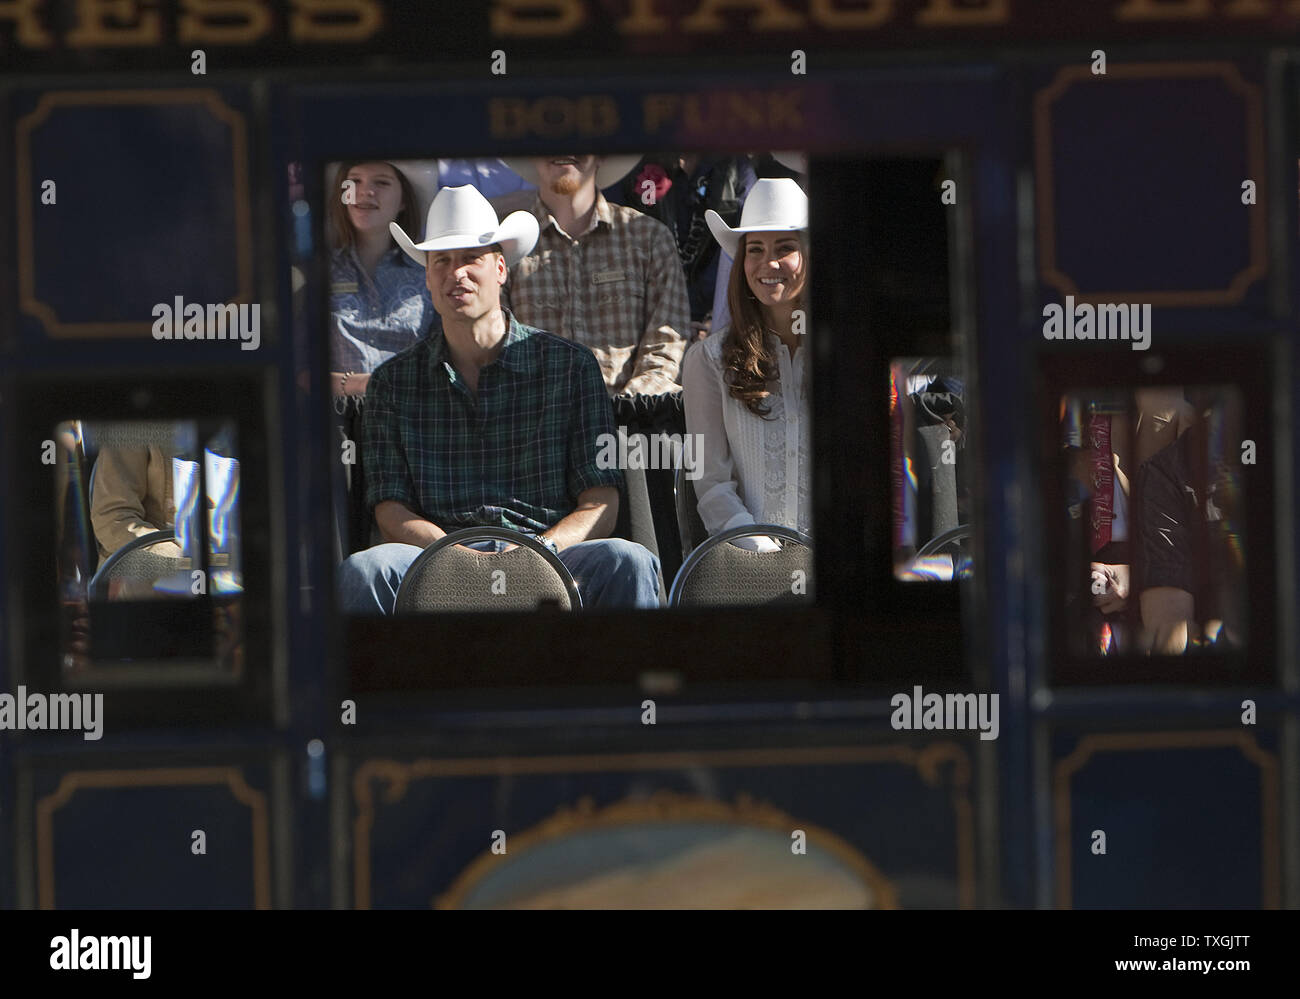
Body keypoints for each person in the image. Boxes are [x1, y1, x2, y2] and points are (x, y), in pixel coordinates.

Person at [337, 185, 661, 613]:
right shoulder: (392, 383)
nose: (458, 273)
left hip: (552, 551)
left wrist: (540, 549)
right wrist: (451, 551)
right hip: (435, 553)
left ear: (501, 269)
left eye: (472, 258)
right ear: (429, 279)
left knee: (628, 560)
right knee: (365, 570)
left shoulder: (571, 366)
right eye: (443, 261)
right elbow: (389, 507)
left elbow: (602, 500)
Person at [681, 178, 811, 553]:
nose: (768, 263)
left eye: (785, 248)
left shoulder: (847, 352)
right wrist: (759, 549)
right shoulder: (707, 361)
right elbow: (711, 482)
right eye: (755, 249)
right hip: (749, 568)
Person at [502, 155, 689, 399]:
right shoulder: (505, 247)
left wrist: (620, 413)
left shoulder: (649, 239)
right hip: (535, 427)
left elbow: (666, 352)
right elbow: (494, 351)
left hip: (630, 426)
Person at [327, 160, 438, 554]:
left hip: (413, 428)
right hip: (333, 430)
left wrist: (360, 383)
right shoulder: (312, 273)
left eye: (381, 182)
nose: (364, 191)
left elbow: (442, 362)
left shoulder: (430, 274)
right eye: (353, 181)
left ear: (404, 199)